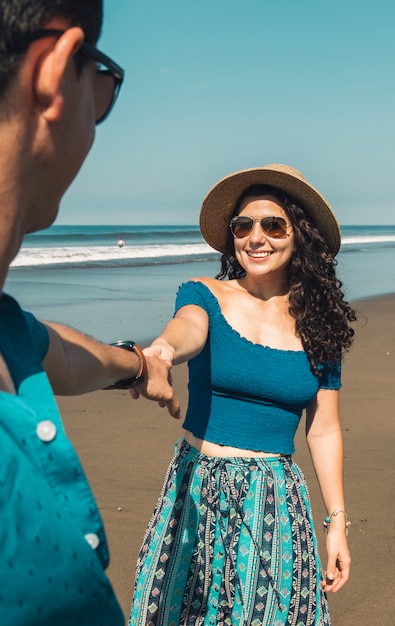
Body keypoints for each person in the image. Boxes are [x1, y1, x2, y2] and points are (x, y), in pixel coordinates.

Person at [0, 2, 180, 625]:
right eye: (100, 83)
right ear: (54, 71)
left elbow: (68, 358)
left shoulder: (9, 330)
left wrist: (137, 365)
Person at [129, 164, 356, 626]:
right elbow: (186, 330)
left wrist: (337, 522)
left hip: (271, 500)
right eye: (243, 225)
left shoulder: (319, 326)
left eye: (273, 225)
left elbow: (325, 428)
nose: (257, 237)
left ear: (300, 235)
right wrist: (162, 351)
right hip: (195, 488)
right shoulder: (204, 295)